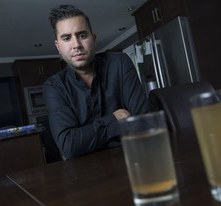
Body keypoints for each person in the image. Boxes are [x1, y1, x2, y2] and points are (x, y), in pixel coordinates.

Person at [43, 5, 150, 159]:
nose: (76, 45)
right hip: (86, 175)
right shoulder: (53, 87)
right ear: (58, 46)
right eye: (67, 38)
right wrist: (114, 119)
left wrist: (86, 136)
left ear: (93, 39)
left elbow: (144, 122)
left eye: (82, 35)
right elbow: (68, 146)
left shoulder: (119, 63)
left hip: (134, 158)